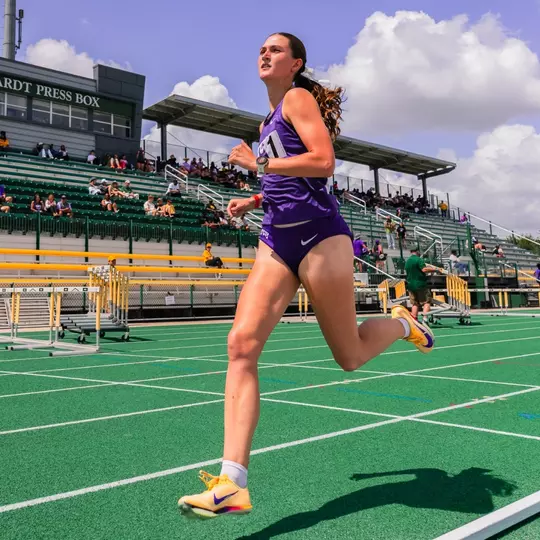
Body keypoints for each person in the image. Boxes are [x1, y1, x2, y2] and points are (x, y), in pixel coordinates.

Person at [178, 32, 435, 520]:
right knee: (241, 345)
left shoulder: (297, 99)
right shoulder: (265, 121)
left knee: (350, 356)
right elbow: (283, 180)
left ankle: (402, 322)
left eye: (275, 49)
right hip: (277, 238)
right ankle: (232, 482)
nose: (264, 53)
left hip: (320, 237)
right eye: (260, 48)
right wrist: (254, 198)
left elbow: (323, 162)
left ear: (296, 64)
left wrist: (260, 164)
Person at [404, 247, 441, 322]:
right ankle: (425, 319)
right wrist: (436, 269)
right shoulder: (419, 259)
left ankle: (414, 319)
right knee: (426, 302)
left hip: (410, 285)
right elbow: (424, 269)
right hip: (420, 284)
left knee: (415, 303)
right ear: (417, 251)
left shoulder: (407, 261)